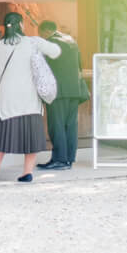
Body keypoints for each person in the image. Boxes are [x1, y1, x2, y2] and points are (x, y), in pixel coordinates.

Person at [0, 11, 60, 183]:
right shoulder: (32, 42)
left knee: (0, 137)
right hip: (29, 100)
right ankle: (27, 172)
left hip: (5, 99)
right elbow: (56, 51)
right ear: (21, 25)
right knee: (30, 137)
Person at [36, 20, 86, 171]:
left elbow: (42, 67)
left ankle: (59, 159)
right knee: (70, 126)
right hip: (74, 90)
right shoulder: (71, 41)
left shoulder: (50, 43)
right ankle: (69, 159)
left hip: (58, 92)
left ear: (45, 32)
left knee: (56, 126)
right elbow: (80, 65)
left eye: (41, 35)